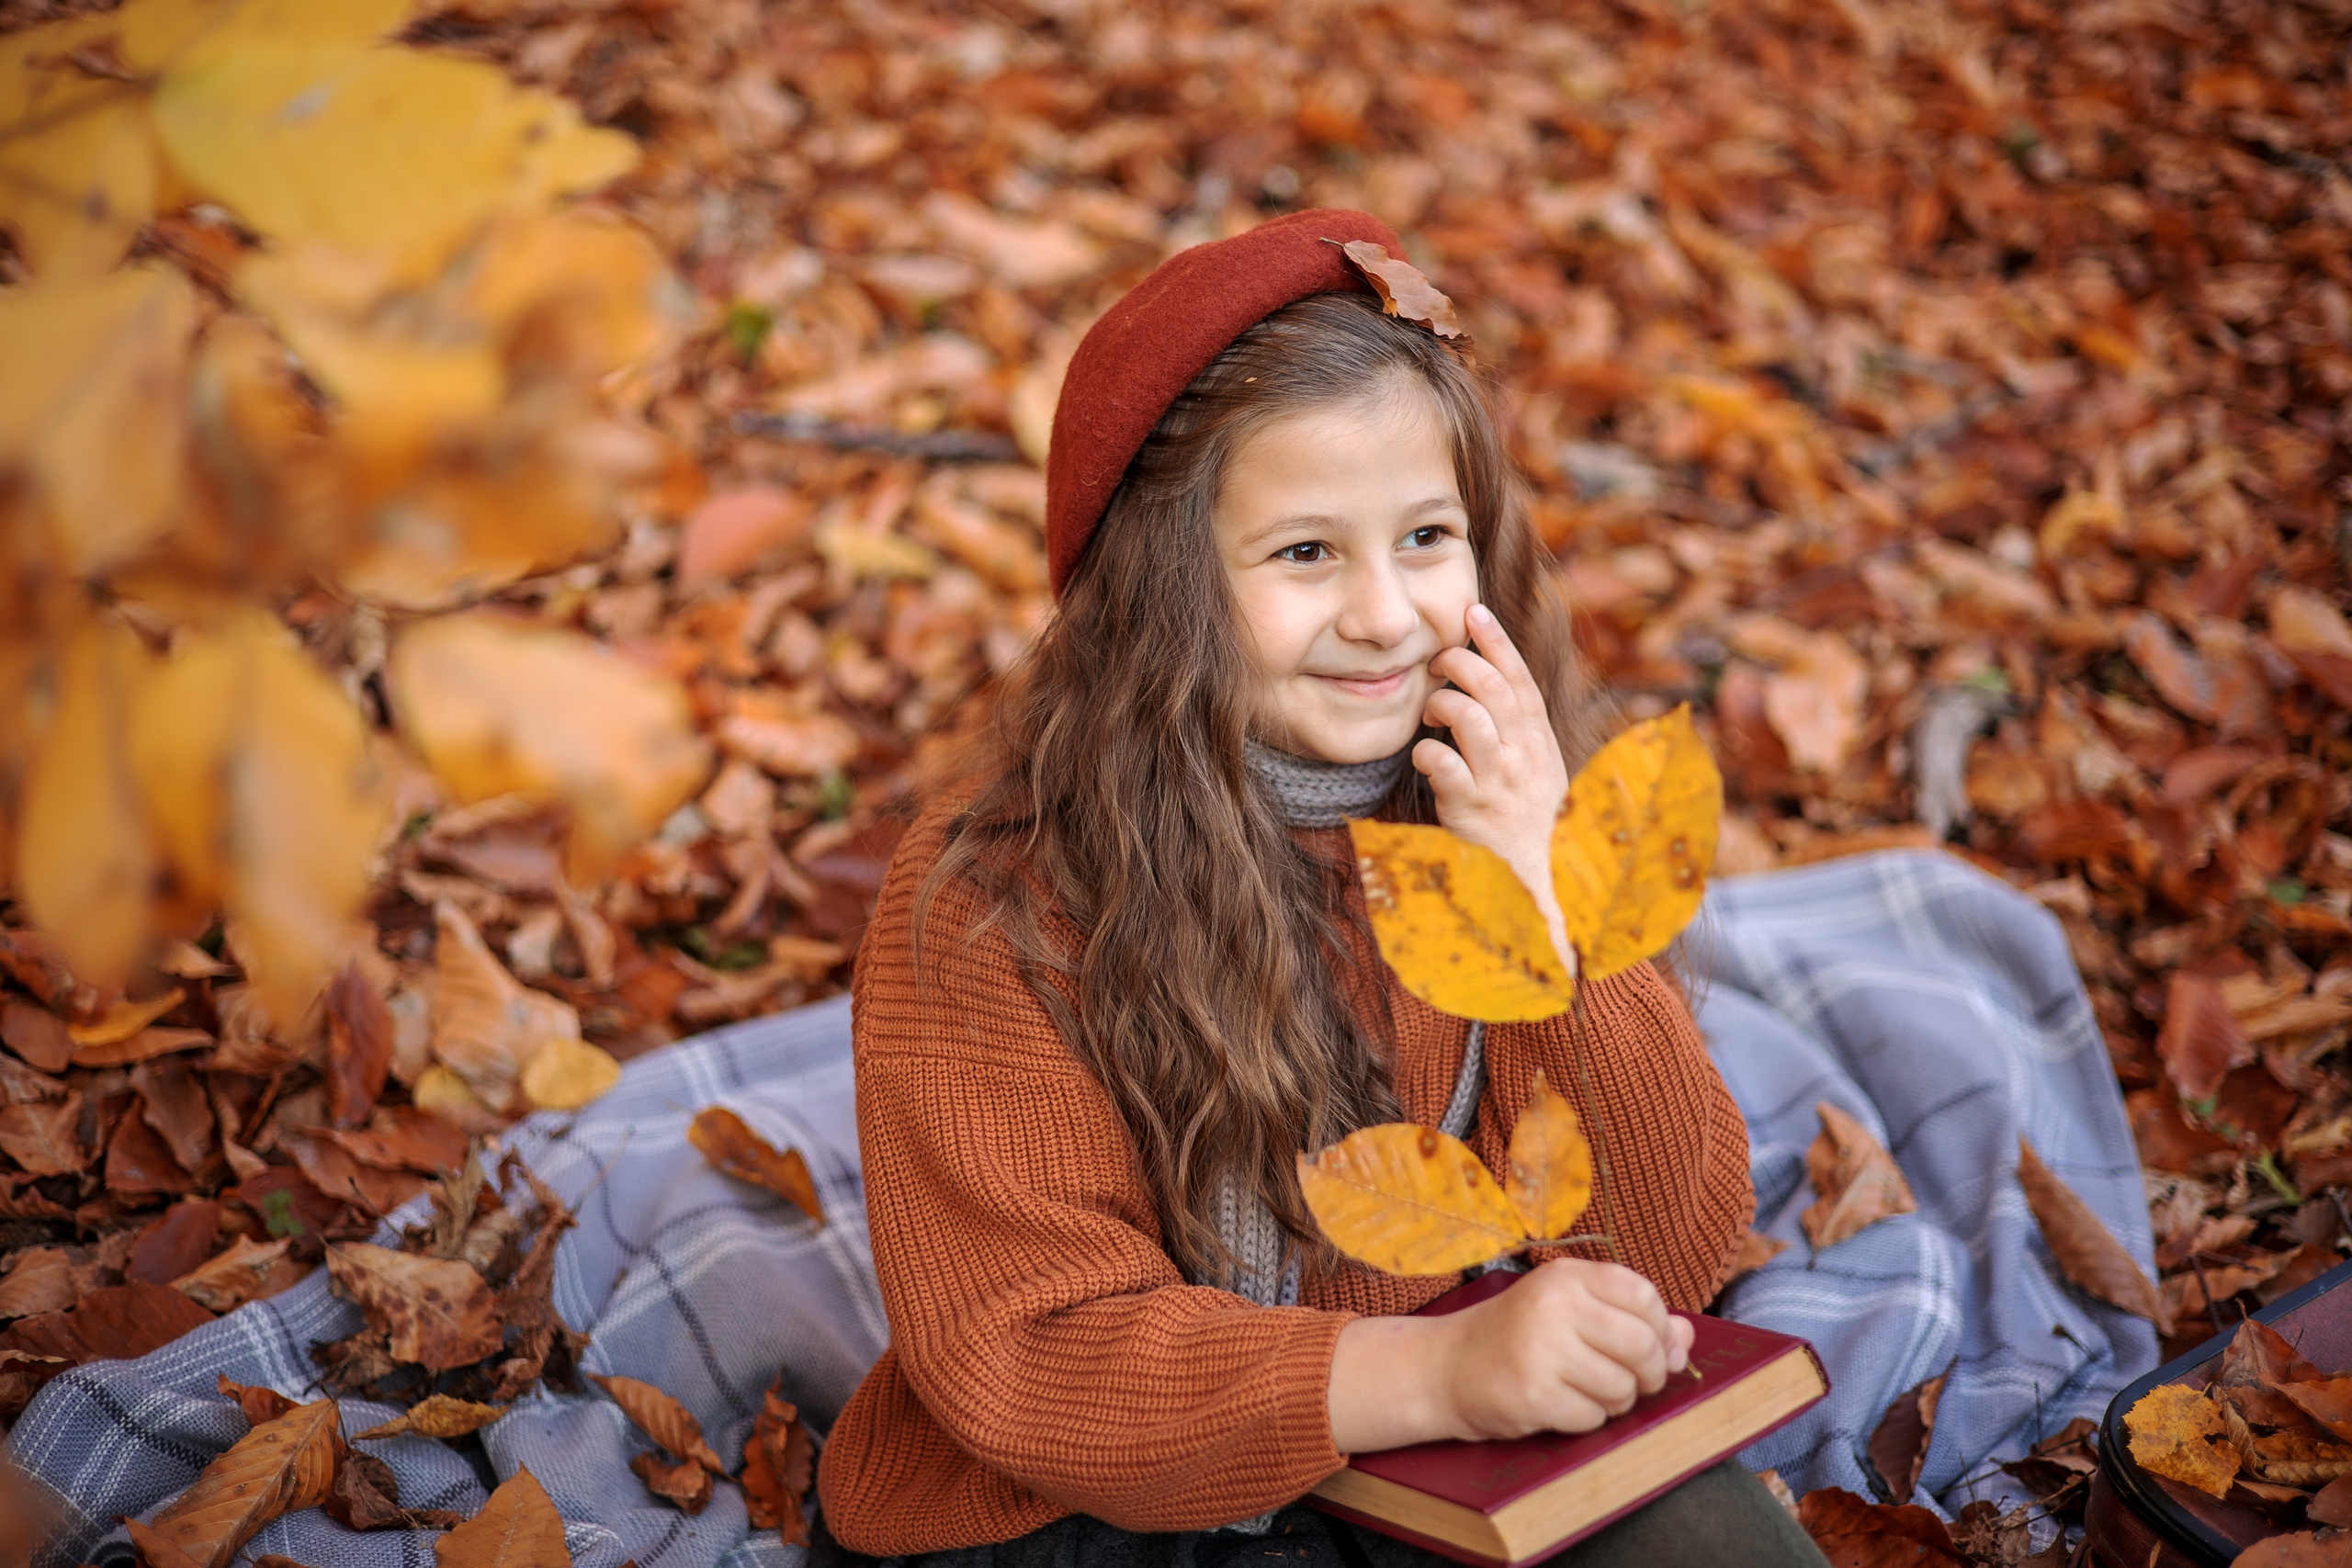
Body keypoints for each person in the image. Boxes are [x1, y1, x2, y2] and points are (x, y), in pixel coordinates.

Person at [811, 209, 1830, 1568]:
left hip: (1455, 1438)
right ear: (1159, 588)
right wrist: (1434, 1377)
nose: (1385, 615)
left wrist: (1542, 894)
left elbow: (1667, 1246)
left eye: (1425, 537)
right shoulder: (995, 891)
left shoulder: (1488, 795)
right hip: (1089, 1502)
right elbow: (1029, 1355)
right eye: (1305, 554)